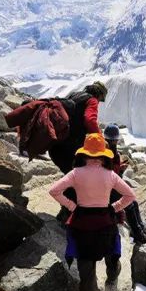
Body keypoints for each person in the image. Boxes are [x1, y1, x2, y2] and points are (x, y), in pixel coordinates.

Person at [49, 133, 135, 291]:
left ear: (84, 153)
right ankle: (112, 276)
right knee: (111, 256)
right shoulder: (110, 175)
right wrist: (114, 207)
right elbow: (130, 195)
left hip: (82, 225)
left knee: (86, 273)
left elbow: (54, 191)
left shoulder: (76, 173)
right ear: (103, 155)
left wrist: (72, 206)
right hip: (106, 224)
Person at [49, 81, 108, 222]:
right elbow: (90, 120)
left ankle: (66, 212)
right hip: (69, 148)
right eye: (100, 99)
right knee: (78, 180)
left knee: (72, 177)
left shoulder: (74, 95)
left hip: (55, 146)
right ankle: (69, 215)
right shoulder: (91, 101)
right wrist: (100, 139)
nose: (99, 103)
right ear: (99, 95)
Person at [103, 124, 146, 244]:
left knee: (133, 203)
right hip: (109, 188)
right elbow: (111, 173)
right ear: (115, 139)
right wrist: (121, 169)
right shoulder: (111, 152)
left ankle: (139, 230)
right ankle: (139, 234)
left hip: (107, 186)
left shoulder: (104, 148)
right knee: (130, 204)